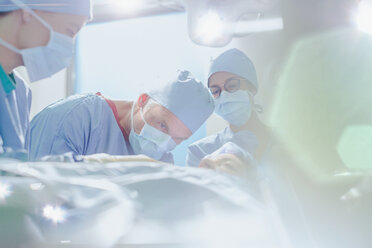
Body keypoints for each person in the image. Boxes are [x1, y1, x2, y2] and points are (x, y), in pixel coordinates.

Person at [29, 70, 214, 162]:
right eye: (162, 126)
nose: (163, 142)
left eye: (177, 138)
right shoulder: (75, 118)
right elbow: (43, 186)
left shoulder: (162, 160)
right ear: (142, 100)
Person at [0, 0, 92, 158]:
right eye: (70, 31)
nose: (68, 46)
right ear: (28, 11)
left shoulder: (21, 92)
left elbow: (16, 168)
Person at [186, 48, 270, 168]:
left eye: (232, 85)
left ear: (251, 87)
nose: (224, 95)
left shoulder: (287, 146)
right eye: (215, 91)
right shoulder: (200, 151)